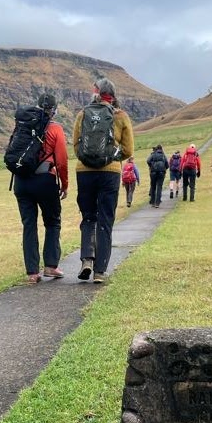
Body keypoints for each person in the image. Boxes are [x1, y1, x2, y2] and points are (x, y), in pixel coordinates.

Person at [73, 77, 134, 283]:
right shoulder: (121, 116)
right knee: (106, 219)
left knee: (88, 216)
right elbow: (128, 150)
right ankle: (100, 271)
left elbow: (76, 145)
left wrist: (89, 159)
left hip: (84, 172)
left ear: (95, 92)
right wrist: (110, 158)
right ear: (113, 94)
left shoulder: (83, 113)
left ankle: (87, 260)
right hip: (110, 173)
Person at [13, 93, 68, 283]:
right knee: (52, 222)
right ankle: (51, 266)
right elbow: (61, 161)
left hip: (21, 181)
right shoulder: (55, 129)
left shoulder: (23, 125)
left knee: (29, 225)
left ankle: (32, 272)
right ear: (54, 110)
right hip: (45, 180)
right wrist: (64, 185)